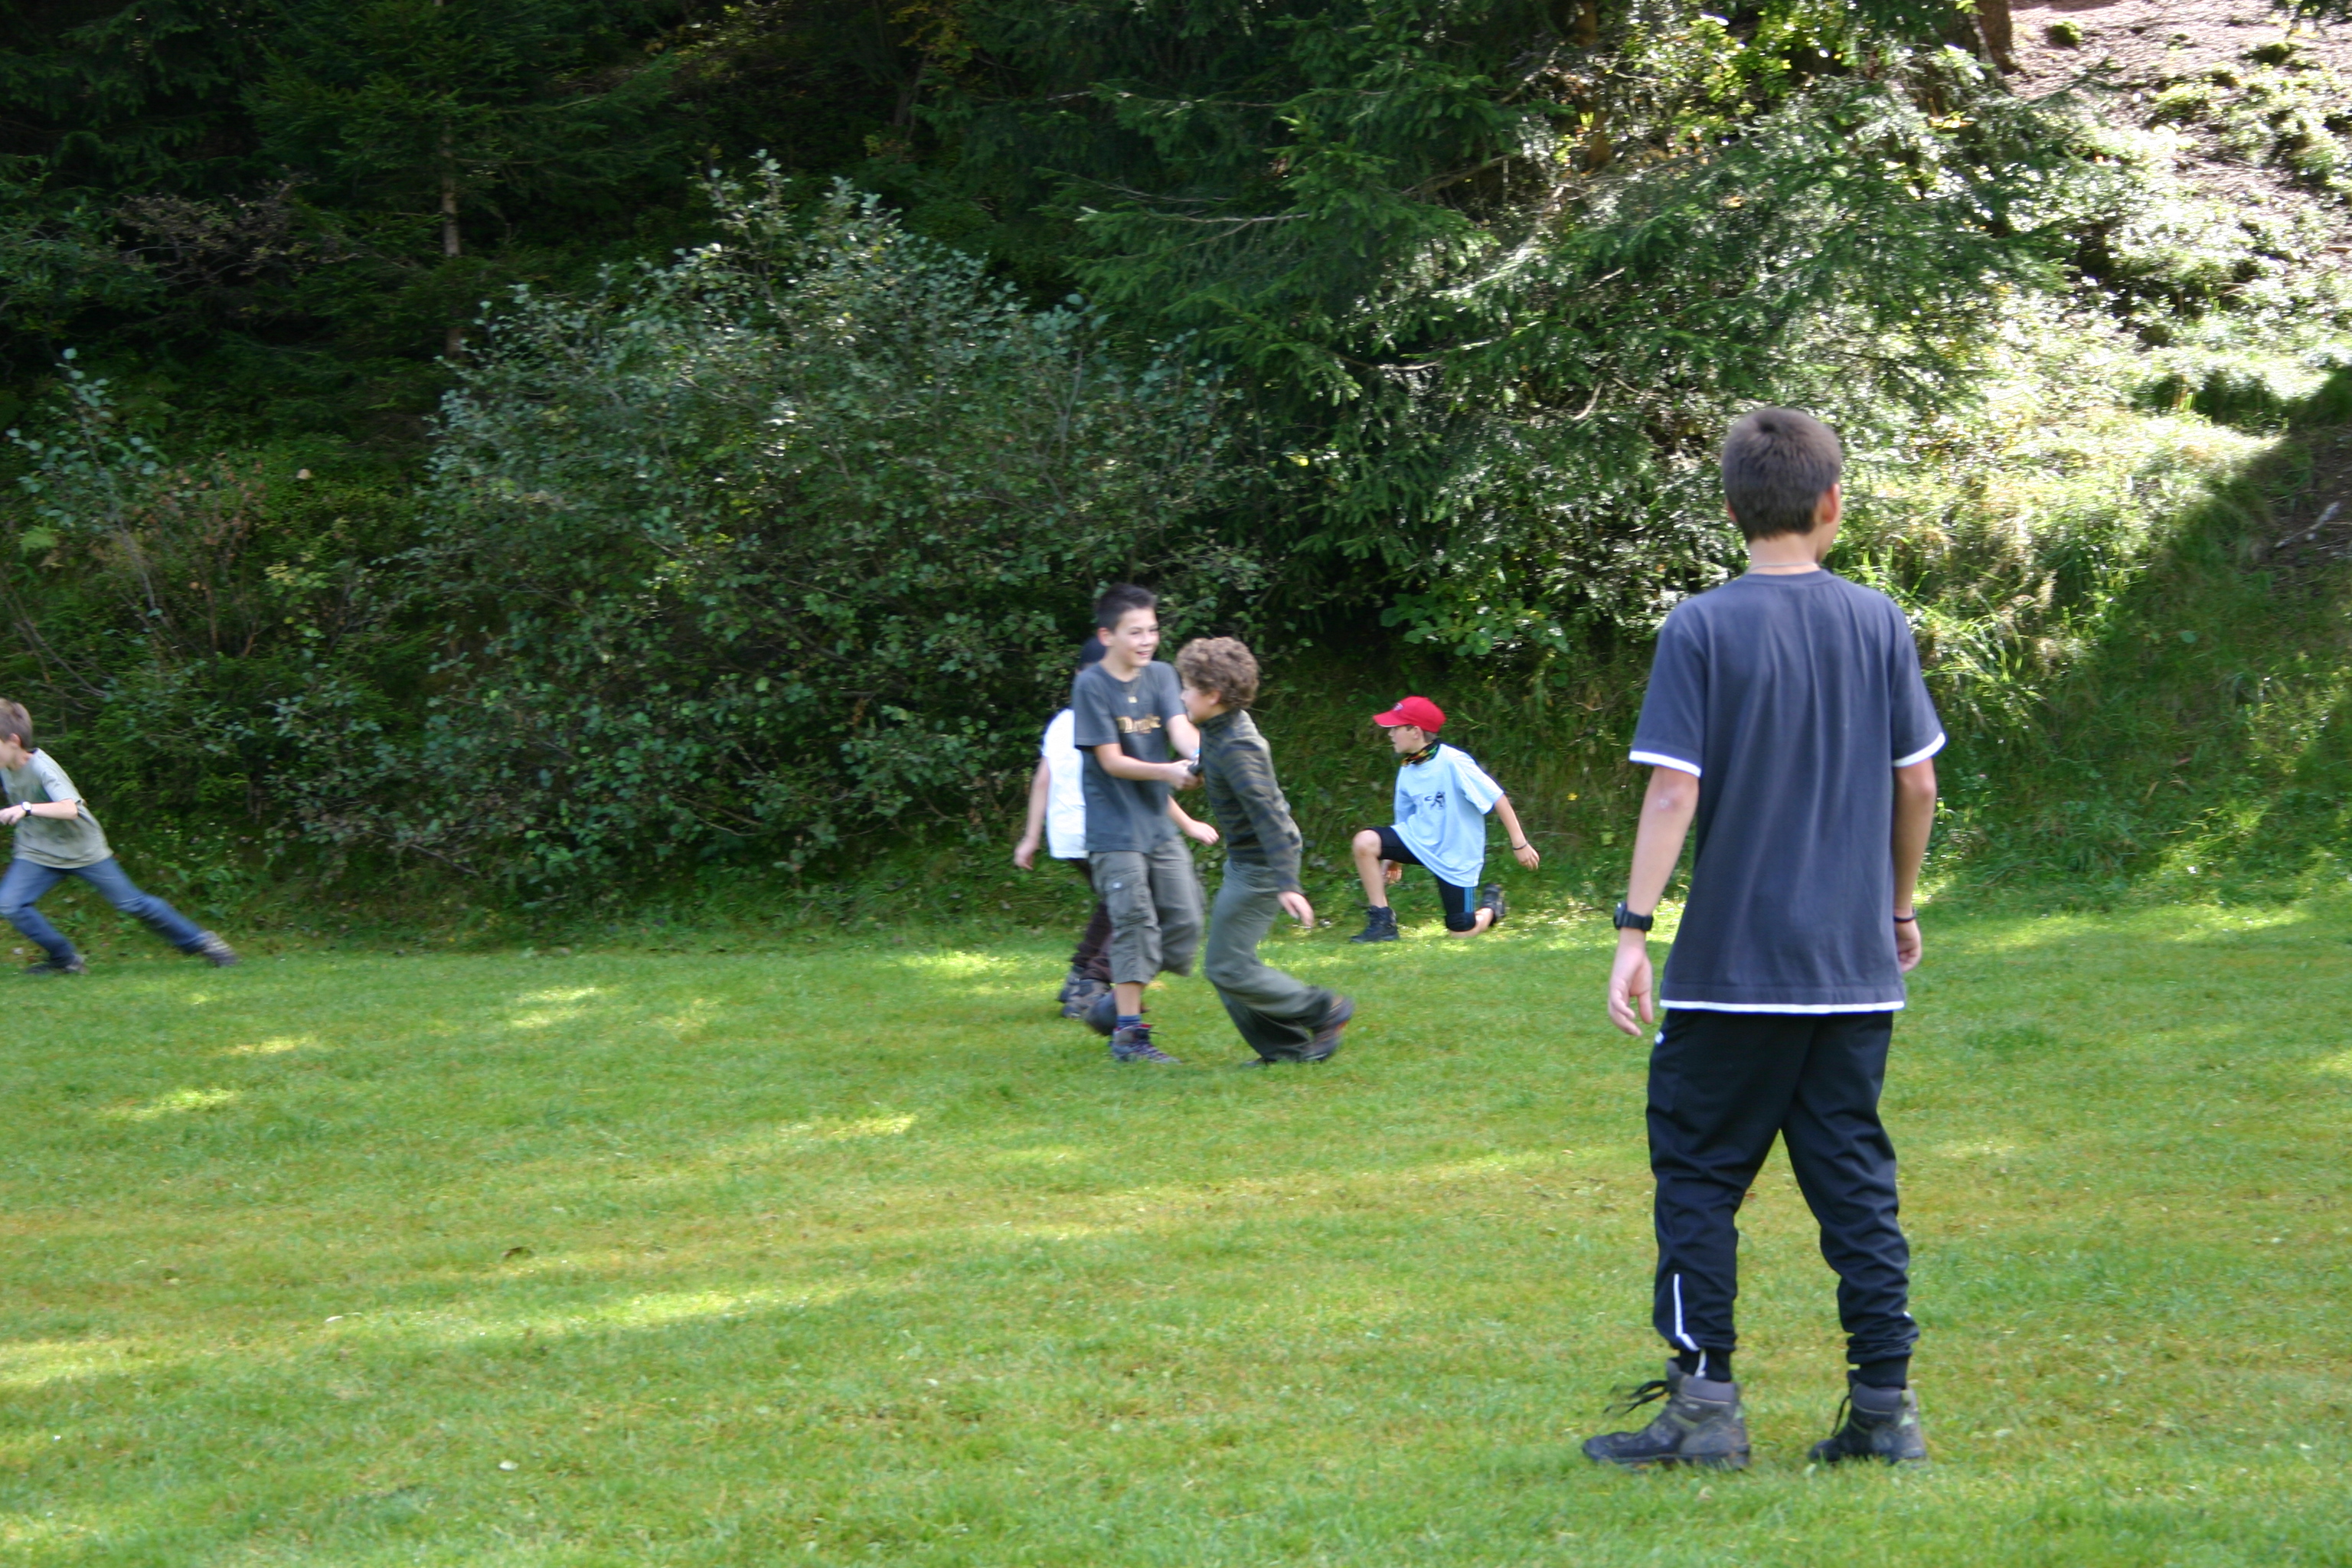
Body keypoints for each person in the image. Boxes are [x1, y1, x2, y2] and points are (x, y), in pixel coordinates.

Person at [1581, 408, 1942, 1472]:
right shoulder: (1879, 620)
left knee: (1699, 1178)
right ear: (1832, 503)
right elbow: (1918, 782)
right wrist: (1898, 907)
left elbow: (1673, 790)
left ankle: (1705, 1411)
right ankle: (1885, 1410)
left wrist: (1633, 928)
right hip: (1852, 975)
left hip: (1731, 974)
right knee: (1856, 1186)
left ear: (1733, 507)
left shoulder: (1699, 627)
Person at [1016, 639, 1217, 1020]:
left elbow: (1042, 779)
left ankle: (1080, 976)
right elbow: (1139, 781)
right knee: (1137, 910)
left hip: (1066, 834)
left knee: (1116, 905)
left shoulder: (1062, 722)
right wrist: (1188, 823)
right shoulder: (1113, 721)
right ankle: (1093, 986)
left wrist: (1031, 837)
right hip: (1103, 830)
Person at [1175, 636, 1353, 1065]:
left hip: (1262, 865)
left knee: (1226, 966)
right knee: (1227, 965)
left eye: (1188, 687)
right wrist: (1196, 770)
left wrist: (1287, 883)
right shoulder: (1222, 727)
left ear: (1212, 695)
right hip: (1247, 861)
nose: (1181, 695)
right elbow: (1213, 752)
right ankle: (1287, 1051)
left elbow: (1269, 816)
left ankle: (1323, 1010)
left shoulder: (1239, 748)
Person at [0, 701, 239, 974]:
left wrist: (26, 808)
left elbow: (70, 809)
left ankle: (204, 943)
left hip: (83, 850)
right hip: (37, 851)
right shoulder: (5, 766)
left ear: (14, 741)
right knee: (10, 904)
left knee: (131, 903)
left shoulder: (43, 768)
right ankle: (65, 960)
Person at [1070, 584, 1205, 1063]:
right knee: (1135, 924)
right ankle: (1130, 1035)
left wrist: (1201, 755)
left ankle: (1114, 1004)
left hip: (1157, 827)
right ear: (1107, 636)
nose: (1147, 640)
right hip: (1114, 832)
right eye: (1135, 632)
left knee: (1186, 918)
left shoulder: (1162, 675)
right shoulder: (1091, 686)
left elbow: (1179, 728)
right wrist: (1168, 772)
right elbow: (1110, 760)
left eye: (1152, 630)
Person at [1347, 695, 1539, 942]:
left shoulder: (1454, 762)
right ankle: (1383, 922)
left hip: (1455, 855)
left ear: (1416, 732)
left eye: (1396, 728)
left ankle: (1491, 908)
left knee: (1460, 932)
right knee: (1364, 842)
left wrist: (1520, 844)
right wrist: (1394, 859)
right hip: (1420, 841)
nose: (1390, 734)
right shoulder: (1408, 768)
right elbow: (1403, 820)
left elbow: (1497, 798)